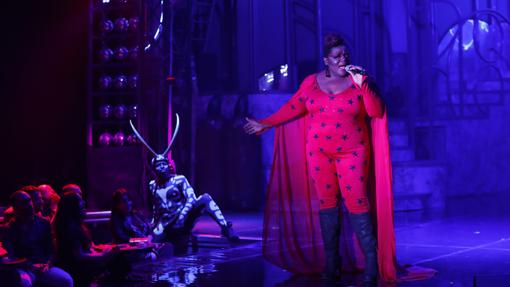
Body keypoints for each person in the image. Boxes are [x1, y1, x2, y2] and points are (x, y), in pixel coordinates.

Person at [244, 34, 394, 285]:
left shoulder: (360, 81)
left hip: (353, 152)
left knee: (357, 201)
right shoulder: (311, 83)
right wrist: (266, 124)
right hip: (319, 152)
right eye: (337, 56)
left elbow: (375, 111)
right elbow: (293, 107)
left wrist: (363, 83)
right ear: (326, 60)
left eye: (345, 55)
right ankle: (332, 263)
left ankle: (371, 263)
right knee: (326, 204)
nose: (343, 59)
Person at [129, 116, 239, 254]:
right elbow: (156, 207)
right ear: (154, 168)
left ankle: (225, 227)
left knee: (205, 198)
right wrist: (153, 222)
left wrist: (182, 216)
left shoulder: (179, 180)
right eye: (158, 165)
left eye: (164, 164)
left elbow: (191, 198)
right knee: (152, 249)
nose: (162, 167)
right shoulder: (153, 185)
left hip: (183, 218)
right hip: (166, 223)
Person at [54, 190, 129, 287]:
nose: (84, 203)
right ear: (72, 207)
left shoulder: (77, 225)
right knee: (119, 261)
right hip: (77, 267)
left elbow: (88, 248)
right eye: (80, 201)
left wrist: (104, 249)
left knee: (120, 259)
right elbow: (79, 256)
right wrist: (104, 255)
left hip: (83, 264)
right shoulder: (70, 228)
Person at [3, 190, 73, 287]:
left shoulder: (44, 223)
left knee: (66, 280)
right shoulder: (9, 228)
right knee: (24, 283)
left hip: (43, 266)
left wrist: (48, 264)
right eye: (24, 202)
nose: (29, 204)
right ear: (15, 207)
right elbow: (11, 257)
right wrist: (30, 266)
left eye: (29, 200)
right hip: (24, 268)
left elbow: (51, 250)